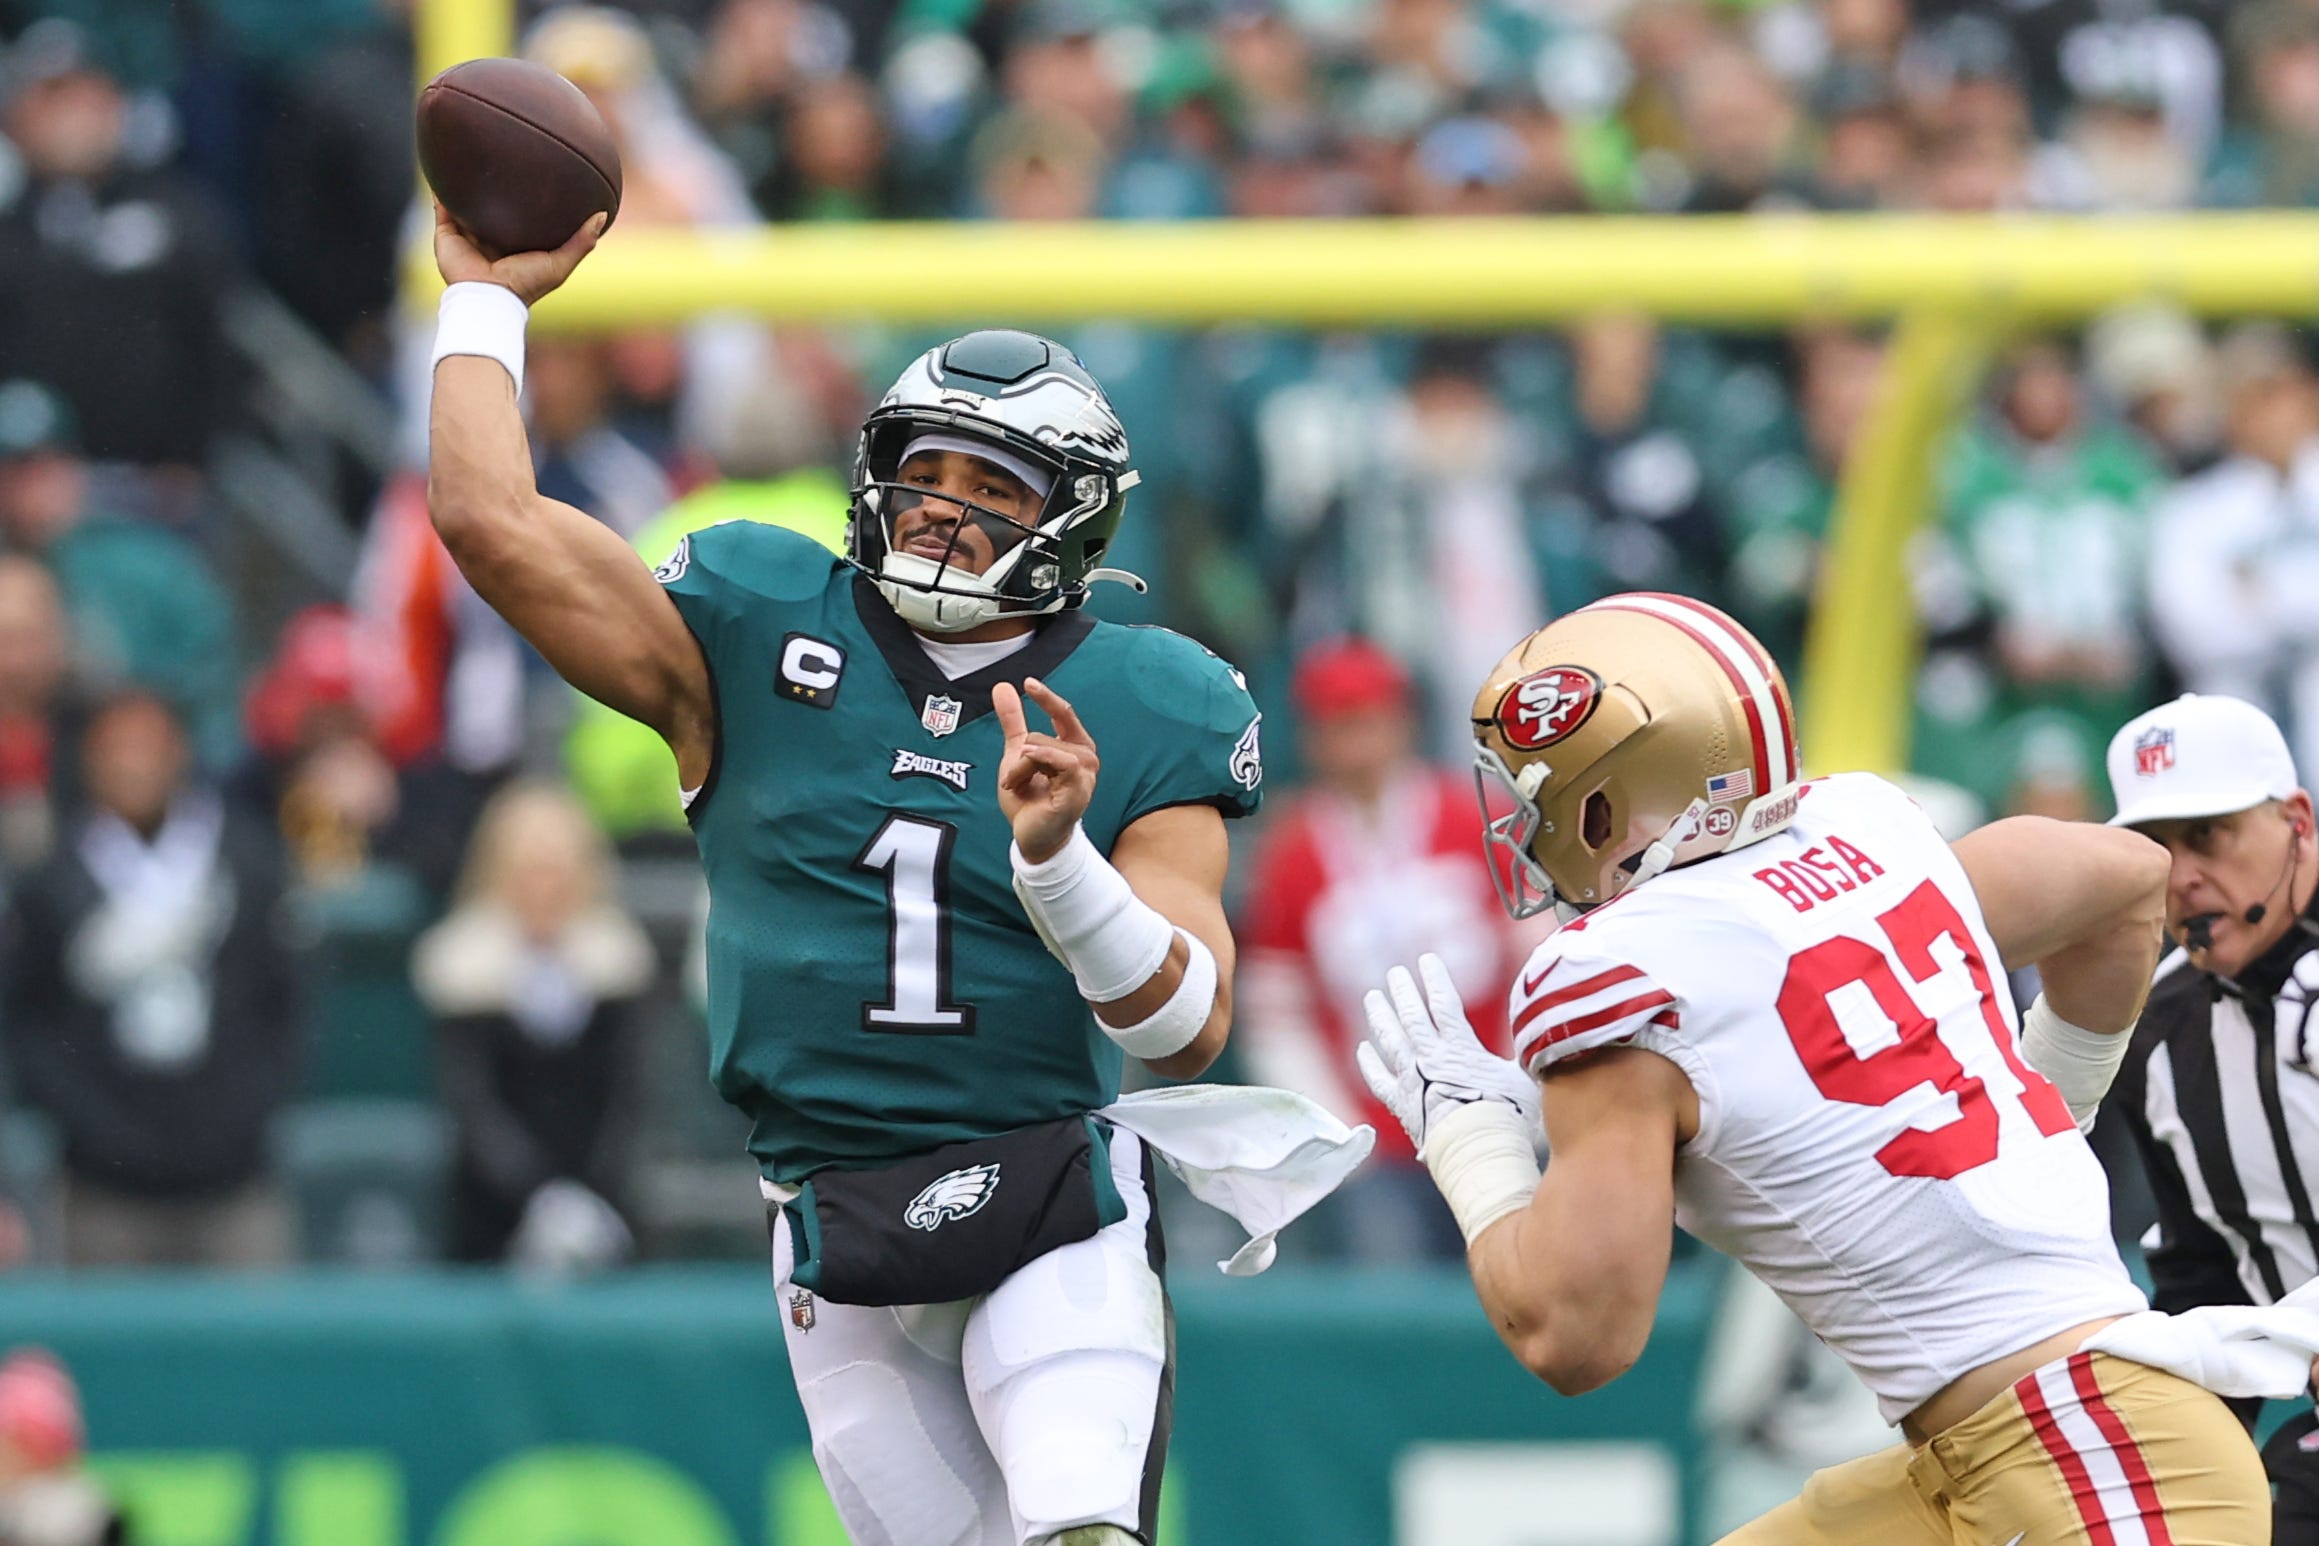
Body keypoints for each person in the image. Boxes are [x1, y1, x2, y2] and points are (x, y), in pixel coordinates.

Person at [421, 206, 1341, 1546]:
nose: (946, 512)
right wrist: (482, 303)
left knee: (1080, 1529)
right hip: (832, 1224)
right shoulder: (754, 621)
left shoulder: (1149, 695)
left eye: (993, 490)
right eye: (927, 472)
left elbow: (1186, 1023)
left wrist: (1058, 863)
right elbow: (487, 518)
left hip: (1049, 1201)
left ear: (1072, 519)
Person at [1357, 594, 2270, 1542]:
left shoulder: (1622, 978)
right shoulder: (1868, 835)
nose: (1524, 824)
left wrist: (1471, 1143)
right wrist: (2051, 1103)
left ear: (1600, 807)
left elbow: (1574, 1339)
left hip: (2094, 1453)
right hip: (2023, 1444)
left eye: (1537, 797)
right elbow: (2126, 878)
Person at [2100, 692, 2319, 1541]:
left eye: (2207, 834)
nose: (2181, 875)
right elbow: (2205, 1271)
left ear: (2296, 820)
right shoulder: (2155, 1031)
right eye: (2155, 848)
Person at [1235, 636, 1519, 1261]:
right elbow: (1276, 1013)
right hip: (1375, 1140)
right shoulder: (1293, 854)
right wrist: (1339, 1133)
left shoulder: (1477, 819)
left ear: (1402, 722)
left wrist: (1521, 1089)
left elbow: (1536, 959)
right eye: (1337, 728)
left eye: (1368, 723)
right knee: (1393, 1280)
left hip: (1499, 1110)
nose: (1356, 746)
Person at [0, 690, 299, 1269]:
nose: (132, 765)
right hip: (103, 1185)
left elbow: (283, 1007)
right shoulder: (50, 880)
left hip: (235, 1179)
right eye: (116, 749)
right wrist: (98, 1131)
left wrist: (237, 1121)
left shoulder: (250, 862)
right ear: (87, 761)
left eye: (148, 746)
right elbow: (29, 1024)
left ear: (180, 754)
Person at [415, 781, 652, 1271]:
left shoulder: (617, 967)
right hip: (488, 1223)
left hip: (605, 1217)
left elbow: (629, 1100)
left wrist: (590, 1195)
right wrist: (537, 1194)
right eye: (528, 872)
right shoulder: (463, 971)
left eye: (556, 872)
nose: (544, 888)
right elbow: (471, 1103)